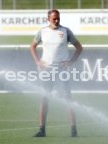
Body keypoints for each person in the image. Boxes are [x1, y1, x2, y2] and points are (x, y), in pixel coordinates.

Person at [30, 9, 83, 137]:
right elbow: (32, 46)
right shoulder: (42, 32)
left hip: (62, 71)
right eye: (54, 19)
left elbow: (79, 47)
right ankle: (42, 130)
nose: (57, 21)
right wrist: (38, 61)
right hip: (46, 70)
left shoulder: (65, 31)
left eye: (58, 18)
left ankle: (73, 130)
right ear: (48, 19)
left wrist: (71, 62)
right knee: (45, 98)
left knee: (67, 99)